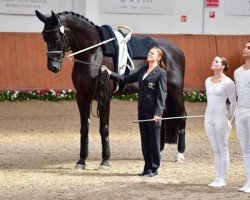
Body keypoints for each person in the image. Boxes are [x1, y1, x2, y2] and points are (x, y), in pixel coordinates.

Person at [101, 46, 167, 177]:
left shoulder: (161, 73)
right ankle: (147, 168)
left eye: (153, 53)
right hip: (142, 110)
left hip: (153, 112)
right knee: (145, 141)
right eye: (149, 52)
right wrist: (110, 73)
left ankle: (154, 169)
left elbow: (161, 94)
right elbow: (127, 79)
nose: (150, 54)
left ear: (159, 58)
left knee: (154, 141)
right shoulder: (143, 70)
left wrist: (158, 113)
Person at [204, 56, 236, 187]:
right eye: (213, 60)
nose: (213, 62)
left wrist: (229, 118)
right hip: (208, 117)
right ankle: (217, 177)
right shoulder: (207, 80)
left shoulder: (228, 83)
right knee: (215, 149)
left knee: (223, 148)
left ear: (223, 66)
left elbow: (234, 103)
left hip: (221, 117)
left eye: (216, 61)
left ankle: (222, 179)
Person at [234, 41, 250, 193]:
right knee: (245, 149)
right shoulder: (237, 72)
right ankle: (247, 181)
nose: (245, 49)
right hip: (241, 112)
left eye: (249, 48)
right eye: (244, 47)